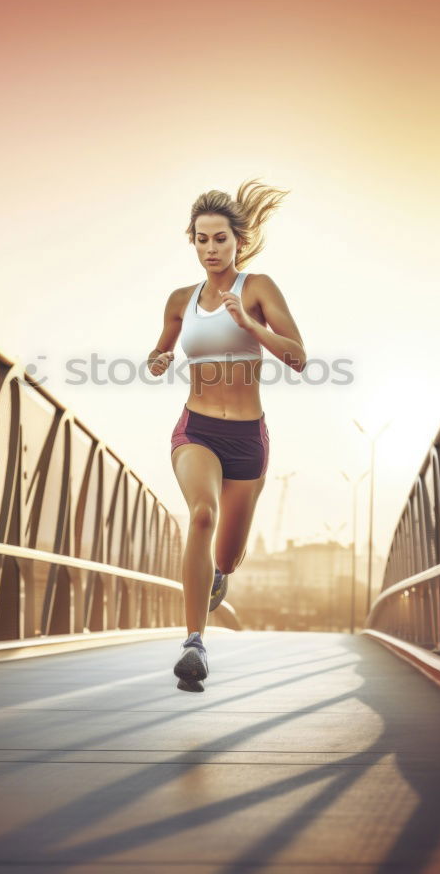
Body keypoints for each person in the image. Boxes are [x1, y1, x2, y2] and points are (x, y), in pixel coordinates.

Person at [147, 178, 306, 691]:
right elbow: (156, 356)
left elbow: (298, 357)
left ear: (238, 240)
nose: (210, 248)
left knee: (228, 554)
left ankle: (219, 575)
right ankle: (194, 643)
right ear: (191, 240)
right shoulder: (179, 300)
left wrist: (251, 325)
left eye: (220, 239)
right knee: (202, 515)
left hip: (247, 439)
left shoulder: (257, 288)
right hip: (197, 429)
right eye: (201, 239)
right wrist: (159, 360)